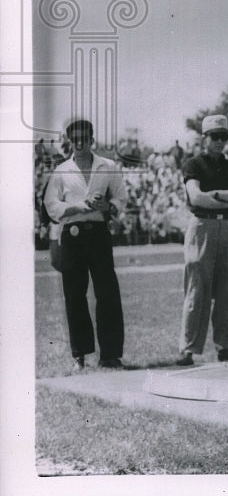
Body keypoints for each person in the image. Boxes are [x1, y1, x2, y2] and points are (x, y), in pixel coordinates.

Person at [43, 117, 127, 370]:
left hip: (99, 232)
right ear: (70, 141)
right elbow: (51, 205)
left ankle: (110, 354)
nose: (80, 143)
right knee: (74, 295)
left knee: (107, 293)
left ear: (92, 139)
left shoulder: (108, 166)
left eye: (84, 138)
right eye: (75, 138)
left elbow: (121, 198)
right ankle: (80, 354)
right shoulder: (61, 171)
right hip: (73, 234)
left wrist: (108, 206)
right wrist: (76, 207)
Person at [176, 115, 228, 366]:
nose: (219, 141)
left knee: (227, 289)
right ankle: (187, 349)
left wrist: (216, 194)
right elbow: (195, 197)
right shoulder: (193, 165)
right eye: (214, 136)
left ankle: (227, 347)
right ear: (204, 138)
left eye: (223, 136)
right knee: (197, 288)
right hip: (202, 226)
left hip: (227, 227)